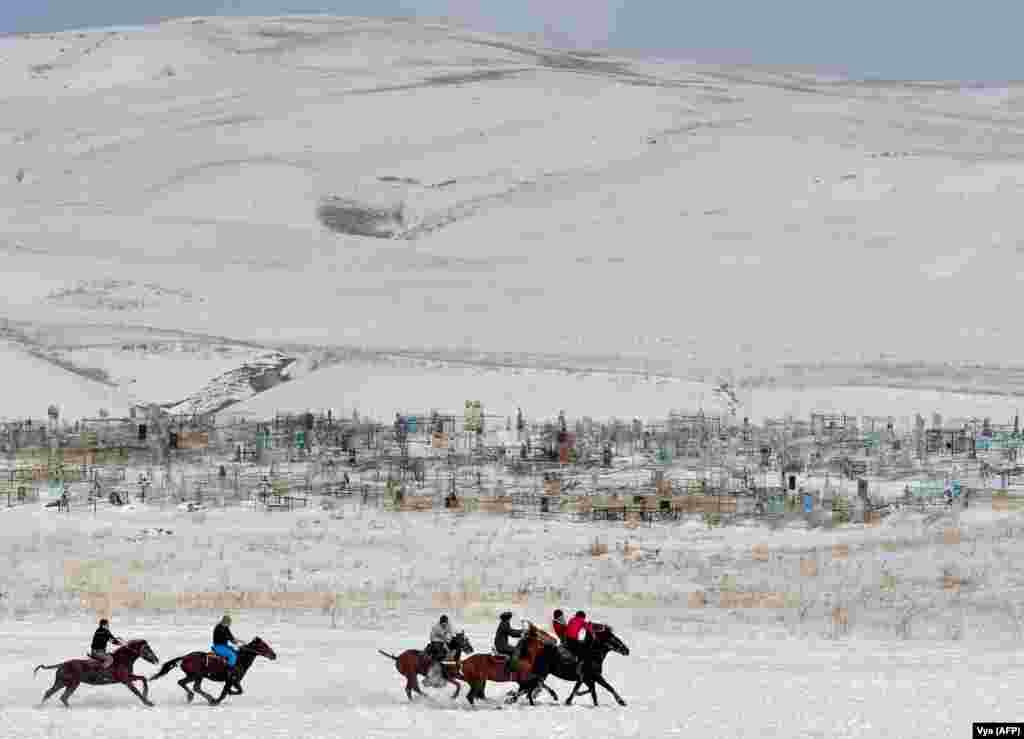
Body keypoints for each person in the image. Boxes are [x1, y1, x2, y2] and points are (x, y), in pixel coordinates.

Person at [212, 614, 243, 688]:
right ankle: (229, 671)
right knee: (232, 655)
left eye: (229, 623)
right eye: (229, 622)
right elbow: (226, 637)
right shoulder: (219, 628)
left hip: (225, 646)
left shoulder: (226, 628)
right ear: (224, 621)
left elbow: (230, 636)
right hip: (218, 647)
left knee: (236, 652)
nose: (229, 624)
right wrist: (234, 640)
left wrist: (236, 641)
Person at [425, 615, 453, 687]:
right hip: (436, 642)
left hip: (444, 642)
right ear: (440, 622)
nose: (444, 624)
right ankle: (434, 668)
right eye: (443, 623)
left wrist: (449, 638)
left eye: (445, 623)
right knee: (439, 654)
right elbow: (434, 636)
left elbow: (451, 634)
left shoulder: (448, 626)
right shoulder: (436, 627)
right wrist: (444, 638)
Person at [565, 610, 594, 679]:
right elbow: (588, 627)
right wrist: (590, 627)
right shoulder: (581, 620)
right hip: (573, 640)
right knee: (583, 652)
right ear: (583, 617)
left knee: (580, 642)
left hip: (567, 639)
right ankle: (579, 669)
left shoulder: (572, 619)